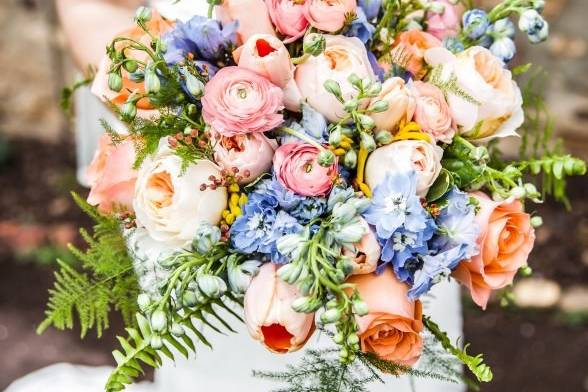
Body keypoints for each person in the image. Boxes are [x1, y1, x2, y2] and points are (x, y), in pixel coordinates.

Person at [7, 1, 466, 391]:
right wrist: (185, 106)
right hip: (196, 161)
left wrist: (424, 76)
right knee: (233, 352)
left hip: (390, 141)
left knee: (389, 338)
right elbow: (91, 8)